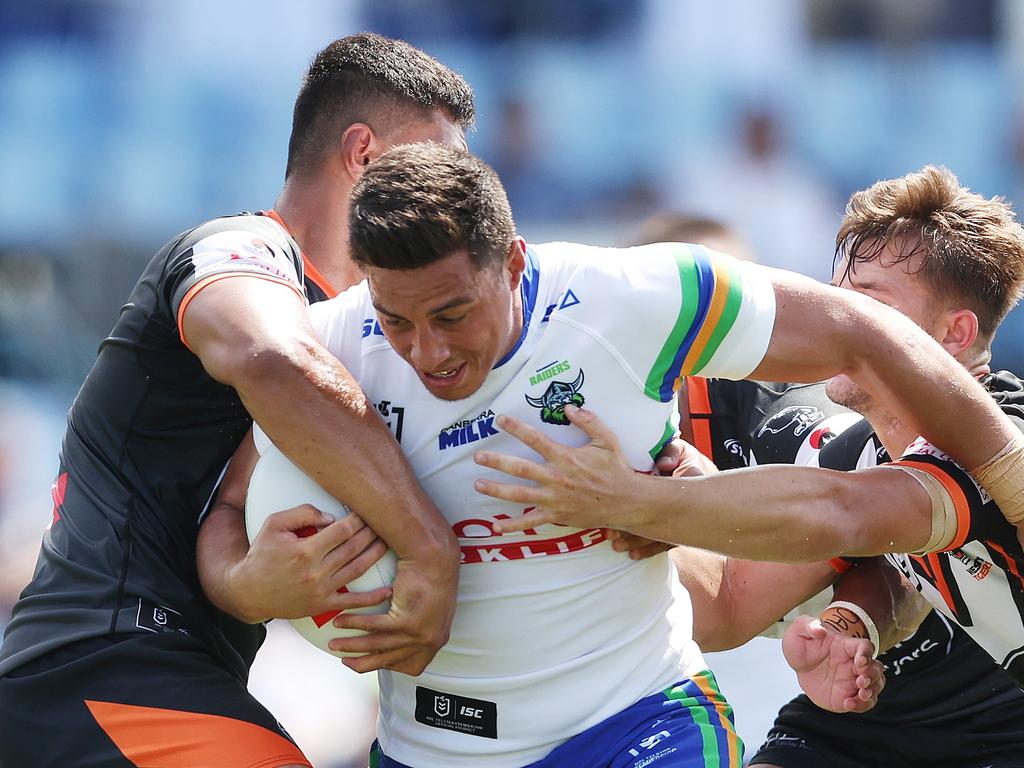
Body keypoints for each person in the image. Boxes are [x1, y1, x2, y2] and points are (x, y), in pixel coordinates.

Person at [204, 144, 1024, 767]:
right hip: (432, 744)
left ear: (513, 264)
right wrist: (250, 586)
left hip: (645, 725)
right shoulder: (324, 353)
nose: (427, 350)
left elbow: (845, 504)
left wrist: (638, 505)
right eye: (397, 319)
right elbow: (749, 592)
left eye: (452, 313)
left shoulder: (629, 303)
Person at [0, 33, 475, 768]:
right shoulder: (237, 249)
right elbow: (271, 359)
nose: (455, 195)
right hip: (99, 670)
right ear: (364, 156)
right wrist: (428, 549)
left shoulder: (360, 337)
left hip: (168, 679)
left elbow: (231, 510)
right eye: (441, 164)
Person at [475, 165, 1024, 693]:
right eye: (838, 296)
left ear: (955, 333)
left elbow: (839, 512)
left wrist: (635, 498)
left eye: (869, 305)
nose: (841, 318)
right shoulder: (863, 453)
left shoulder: (1000, 428)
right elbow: (729, 600)